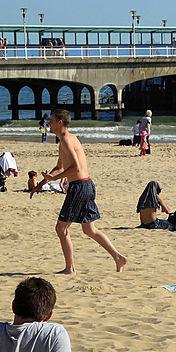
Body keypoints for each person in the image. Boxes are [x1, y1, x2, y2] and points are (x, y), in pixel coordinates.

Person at [31, 109, 127, 274]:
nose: (49, 124)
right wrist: (41, 183)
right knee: (89, 229)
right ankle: (118, 257)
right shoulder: (66, 140)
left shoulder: (67, 140)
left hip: (80, 186)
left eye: (51, 121)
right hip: (87, 185)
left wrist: (54, 179)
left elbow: (75, 168)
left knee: (61, 228)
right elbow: (59, 167)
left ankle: (69, 268)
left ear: (60, 122)